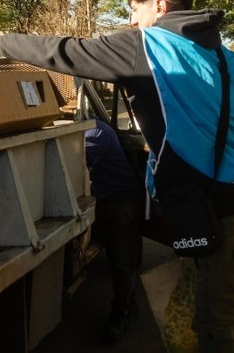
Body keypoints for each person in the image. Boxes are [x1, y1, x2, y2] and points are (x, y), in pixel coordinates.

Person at [0, 0, 234, 353]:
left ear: (159, 6)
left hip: (227, 221)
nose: (131, 21)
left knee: (223, 337)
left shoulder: (148, 46)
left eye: (135, 10)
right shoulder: (228, 59)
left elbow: (64, 52)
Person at [83, 119, 144, 344]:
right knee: (116, 260)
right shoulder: (93, 131)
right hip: (104, 201)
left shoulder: (96, 133)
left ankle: (121, 315)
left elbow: (80, 162)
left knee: (121, 262)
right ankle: (129, 304)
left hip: (121, 204)